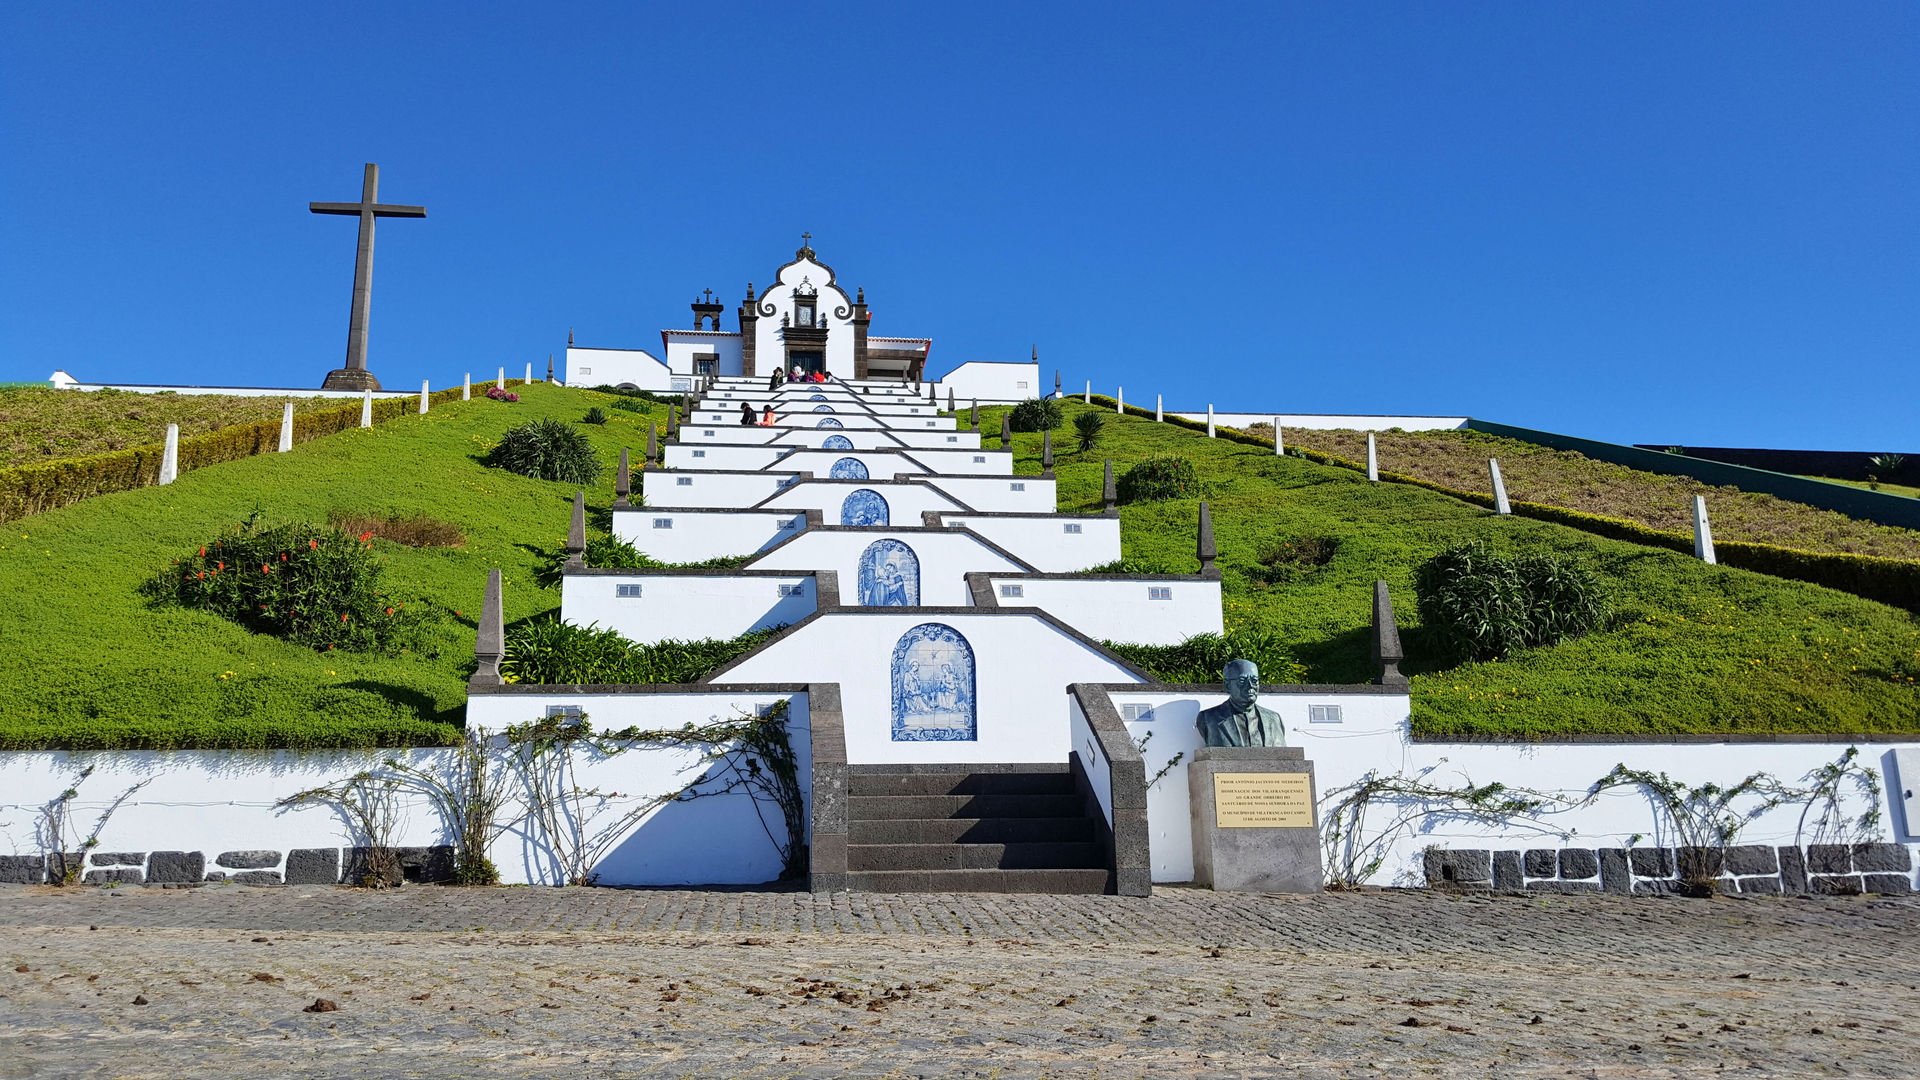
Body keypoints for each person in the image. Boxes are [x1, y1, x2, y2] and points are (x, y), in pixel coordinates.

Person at [1194, 659, 1286, 747]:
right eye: (1242, 680)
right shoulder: (1208, 718)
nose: (1250, 685)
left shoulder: (1274, 719)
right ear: (1227, 685)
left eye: (1254, 680)